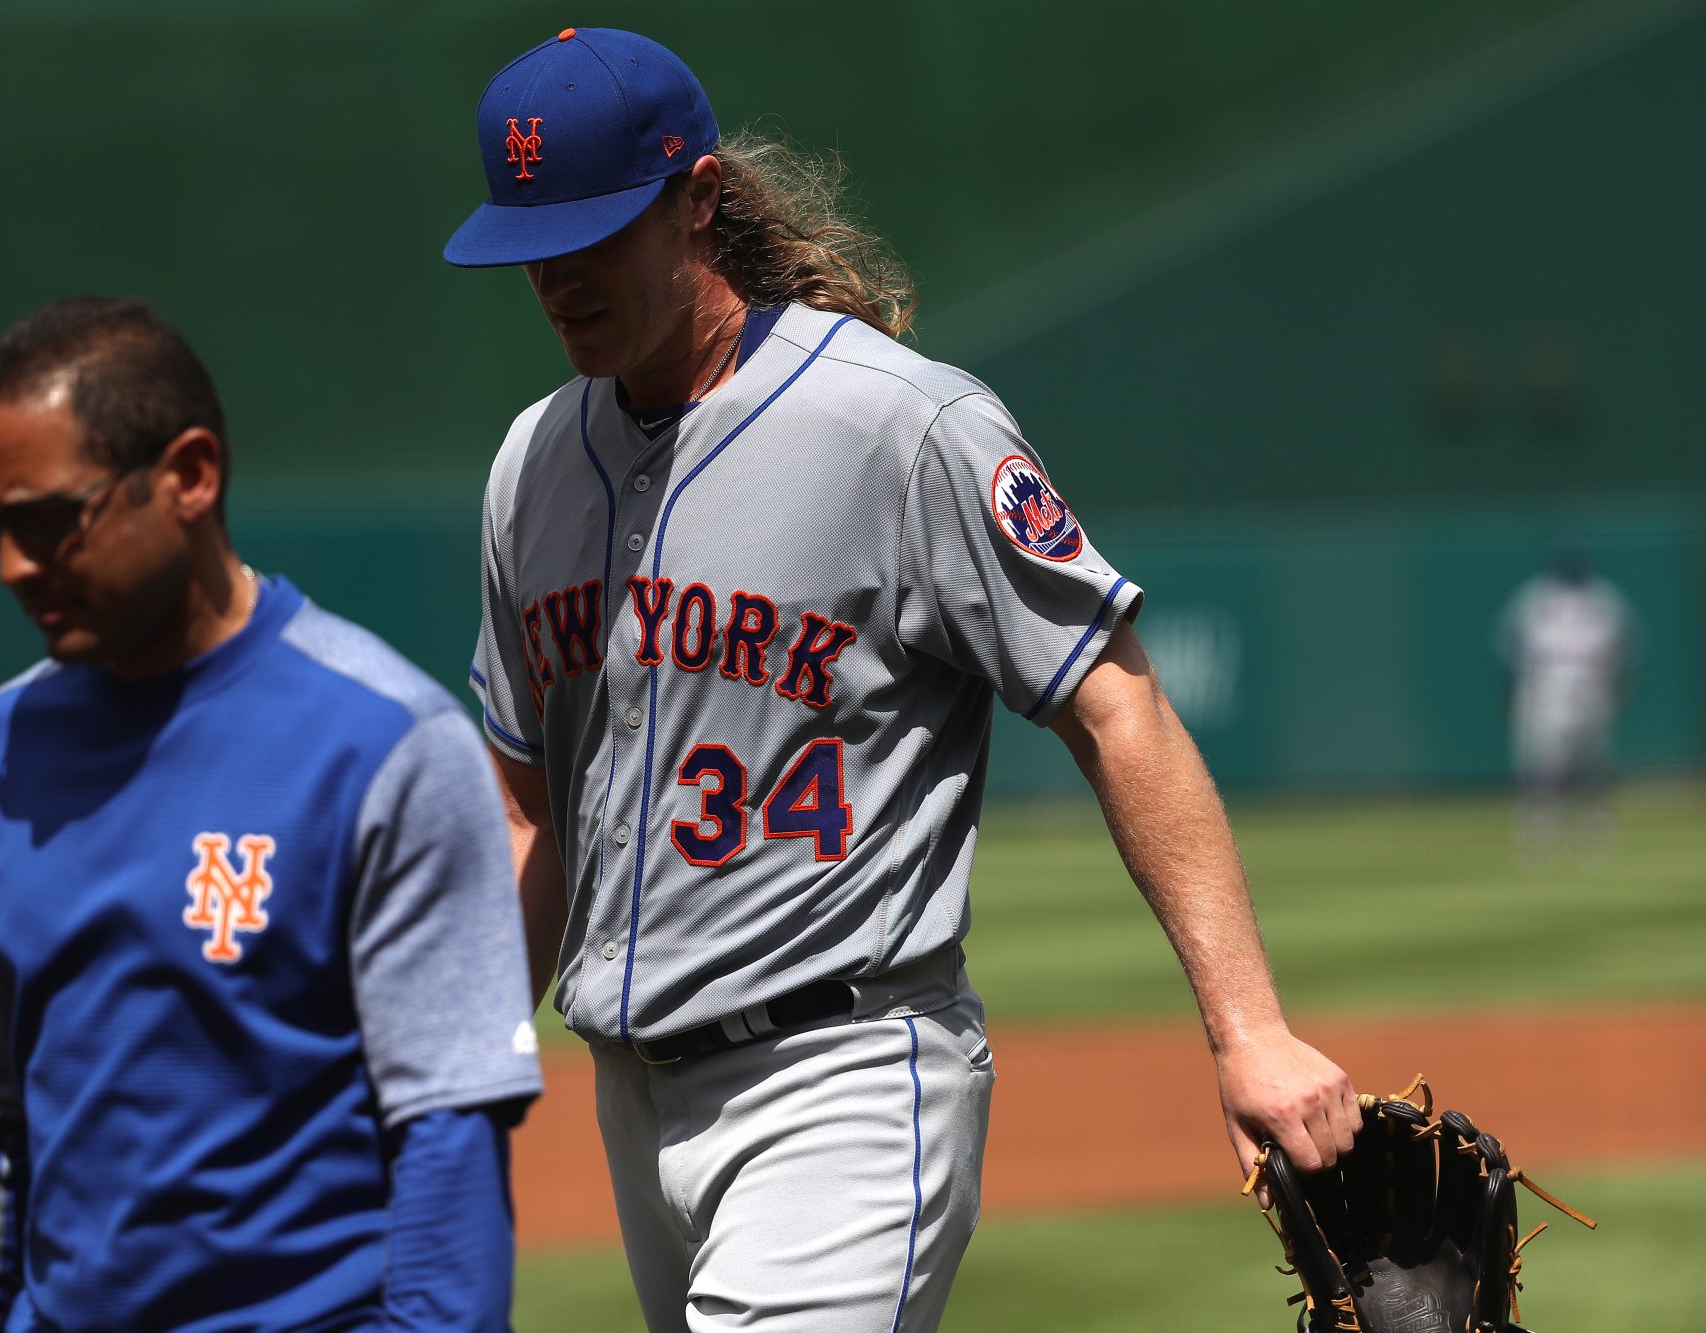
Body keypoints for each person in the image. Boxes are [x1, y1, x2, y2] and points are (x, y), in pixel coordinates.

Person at [444, 27, 1358, 1332]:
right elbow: (528, 804)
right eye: (533, 241)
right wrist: (455, 1070)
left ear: (697, 200)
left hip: (842, 1078)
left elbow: (1115, 698)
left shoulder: (898, 423)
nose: (557, 275)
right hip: (628, 1097)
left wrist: (1249, 1031)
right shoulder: (530, 465)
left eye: (593, 230)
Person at [0, 296, 542, 1331]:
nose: (13, 566)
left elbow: (447, 1139)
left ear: (191, 475)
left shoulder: (386, 743)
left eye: (48, 521)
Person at [1496, 544, 1636, 860]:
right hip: (1549, 683)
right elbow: (1509, 649)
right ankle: (1542, 831)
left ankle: (1585, 831)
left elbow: (1623, 651)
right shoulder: (1539, 598)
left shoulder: (1598, 599)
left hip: (1581, 681)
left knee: (1587, 764)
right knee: (1545, 764)